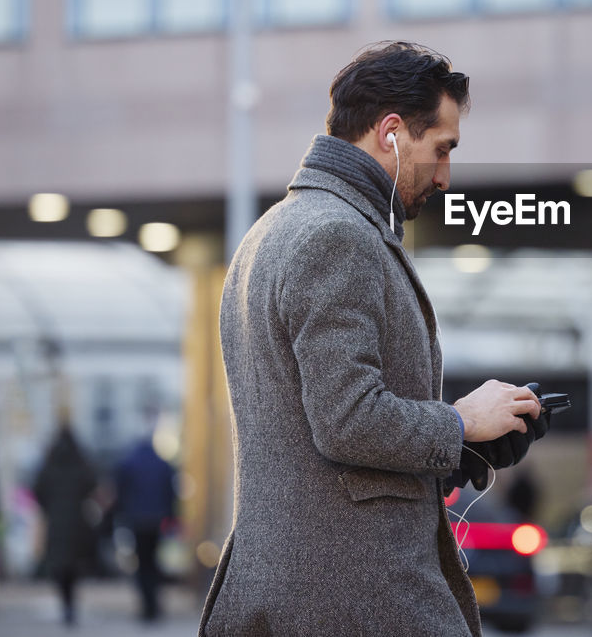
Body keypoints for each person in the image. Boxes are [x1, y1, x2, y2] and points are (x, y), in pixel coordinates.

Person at [201, 42, 548, 637]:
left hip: (303, 594)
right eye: (441, 149)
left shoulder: (273, 231)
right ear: (391, 133)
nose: (445, 176)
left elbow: (312, 453)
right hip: (350, 601)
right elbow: (348, 418)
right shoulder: (337, 236)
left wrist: (462, 454)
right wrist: (461, 421)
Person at [34, 426, 98, 627]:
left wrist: (49, 507)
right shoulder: (81, 463)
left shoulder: (49, 464)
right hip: (77, 523)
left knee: (60, 565)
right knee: (73, 566)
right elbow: (92, 485)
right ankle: (70, 604)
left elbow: (37, 490)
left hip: (56, 521)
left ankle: (65, 604)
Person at [113, 434, 176, 621]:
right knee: (154, 562)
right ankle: (154, 604)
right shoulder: (162, 464)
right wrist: (170, 516)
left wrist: (122, 514)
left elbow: (120, 491)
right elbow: (170, 493)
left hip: (137, 520)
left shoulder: (128, 464)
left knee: (142, 563)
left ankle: (146, 605)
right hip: (156, 520)